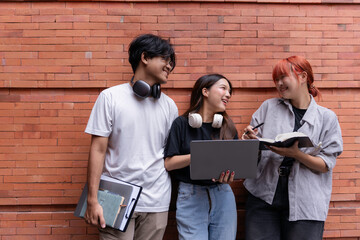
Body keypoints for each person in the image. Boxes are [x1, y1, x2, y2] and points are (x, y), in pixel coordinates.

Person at [84, 34, 178, 240]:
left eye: (171, 63)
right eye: (165, 59)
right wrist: (92, 199)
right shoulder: (110, 97)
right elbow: (97, 150)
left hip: (157, 201)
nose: (169, 66)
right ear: (145, 57)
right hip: (116, 199)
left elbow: (170, 154)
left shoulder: (170, 105)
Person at [242, 56, 343, 240]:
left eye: (283, 77)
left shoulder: (327, 118)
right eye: (276, 80)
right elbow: (250, 153)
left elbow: (326, 164)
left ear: (303, 76)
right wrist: (251, 139)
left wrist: (296, 154)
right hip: (264, 197)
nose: (279, 84)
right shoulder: (268, 108)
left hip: (306, 203)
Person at [164, 74, 238, 240]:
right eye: (223, 88)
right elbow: (169, 164)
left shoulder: (227, 126)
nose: (228, 94)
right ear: (205, 91)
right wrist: (198, 154)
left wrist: (231, 175)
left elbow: (234, 163)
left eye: (230, 91)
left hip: (223, 194)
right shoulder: (181, 124)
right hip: (191, 196)